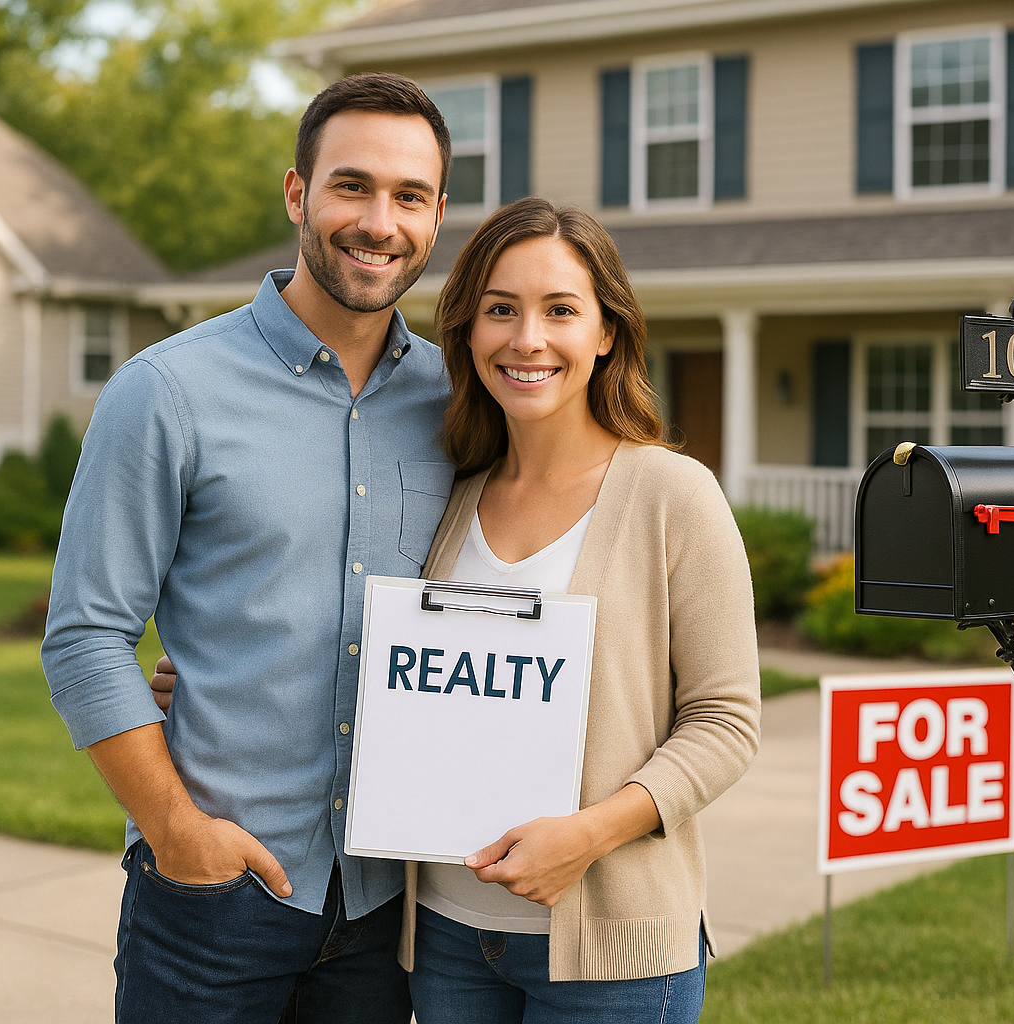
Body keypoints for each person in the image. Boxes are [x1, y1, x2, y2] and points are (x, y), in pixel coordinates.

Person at [41, 72, 456, 1024]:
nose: (378, 221)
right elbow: (85, 635)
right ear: (297, 193)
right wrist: (179, 832)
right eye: (352, 185)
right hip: (210, 903)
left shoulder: (458, 403)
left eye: (408, 197)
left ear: (438, 216)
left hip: (386, 906)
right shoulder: (166, 392)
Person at [405, 196, 761, 1022]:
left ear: (607, 332)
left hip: (614, 955)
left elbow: (726, 721)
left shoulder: (673, 494)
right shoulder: (451, 495)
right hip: (448, 937)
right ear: (467, 332)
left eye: (560, 310)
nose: (527, 339)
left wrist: (589, 835)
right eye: (500, 310)